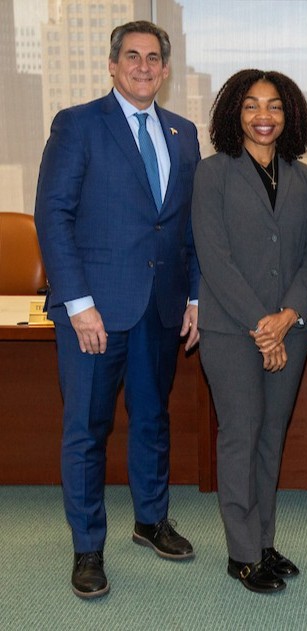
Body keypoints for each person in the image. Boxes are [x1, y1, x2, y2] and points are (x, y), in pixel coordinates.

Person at [34, 21, 201, 599]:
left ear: (166, 68)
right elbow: (52, 215)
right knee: (87, 431)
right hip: (94, 313)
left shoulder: (183, 133)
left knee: (153, 422)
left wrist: (196, 297)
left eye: (154, 58)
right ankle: (87, 549)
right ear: (112, 65)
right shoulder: (78, 124)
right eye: (132, 56)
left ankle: (151, 521)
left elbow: (186, 227)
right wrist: (78, 304)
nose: (143, 66)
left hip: (160, 307)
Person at [192, 69, 307, 594]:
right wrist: (260, 326)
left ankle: (264, 541)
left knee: (270, 439)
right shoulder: (212, 173)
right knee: (240, 437)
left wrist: (288, 317)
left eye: (274, 106)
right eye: (251, 105)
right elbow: (214, 257)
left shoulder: (305, 177)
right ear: (234, 113)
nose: (263, 116)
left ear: (289, 115)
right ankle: (241, 553)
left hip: (289, 330)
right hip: (231, 331)